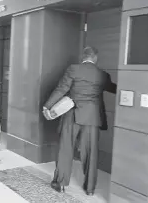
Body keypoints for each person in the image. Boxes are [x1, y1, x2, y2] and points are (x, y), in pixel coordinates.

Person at [42, 46, 117, 195]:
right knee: (91, 153)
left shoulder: (73, 69)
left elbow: (61, 89)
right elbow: (114, 88)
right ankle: (90, 188)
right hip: (93, 117)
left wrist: (47, 106)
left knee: (66, 148)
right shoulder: (102, 75)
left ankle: (61, 183)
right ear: (95, 58)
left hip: (72, 114)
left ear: (83, 56)